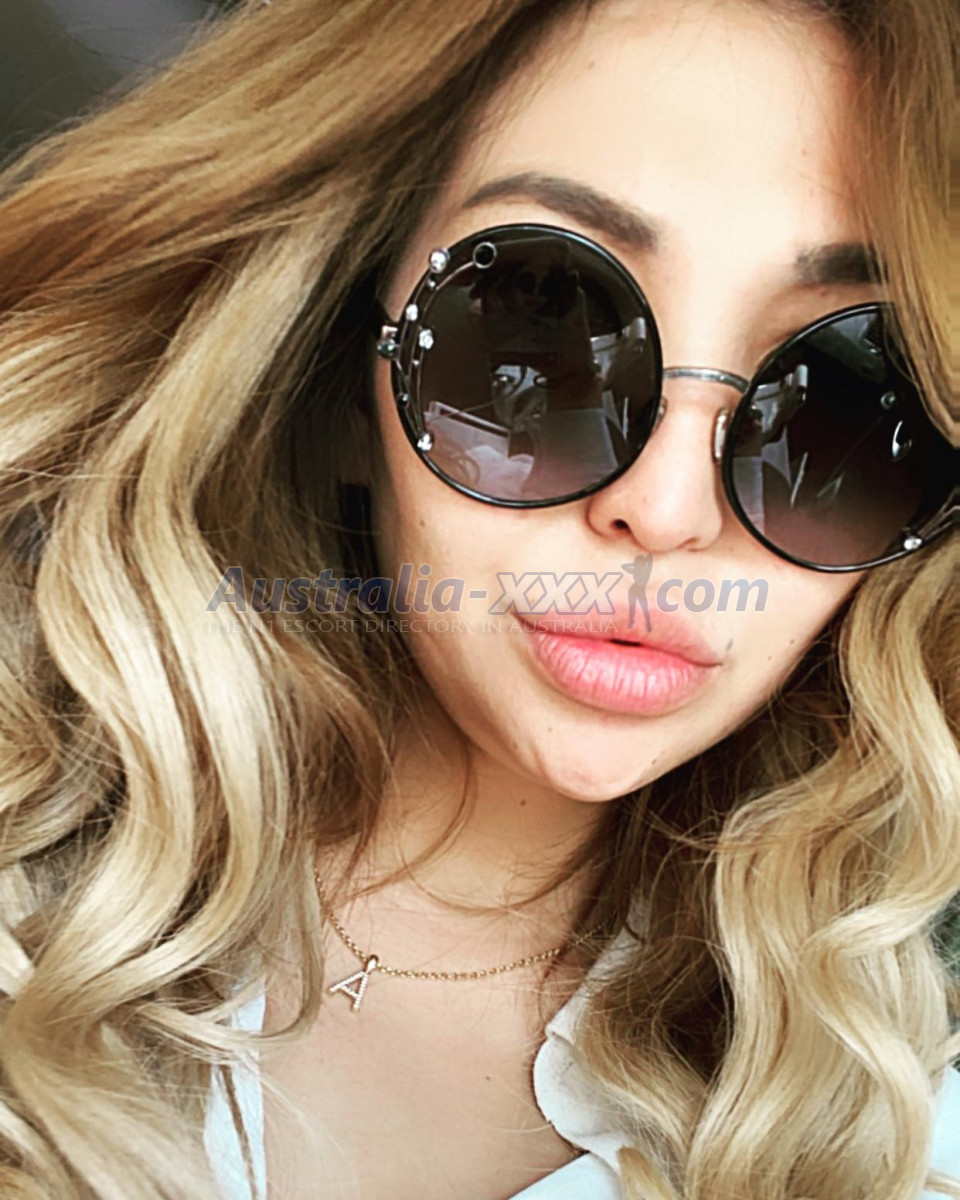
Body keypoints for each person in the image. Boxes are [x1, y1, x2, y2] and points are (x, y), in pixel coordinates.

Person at [0, 0, 956, 1197]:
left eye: (846, 398)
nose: (666, 509)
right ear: (344, 374)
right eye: (532, 341)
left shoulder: (898, 1132)